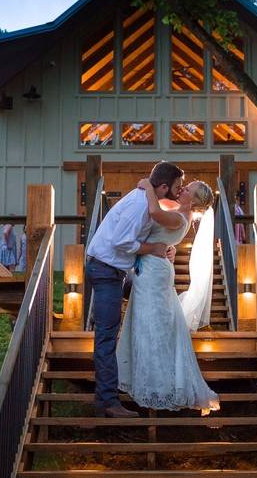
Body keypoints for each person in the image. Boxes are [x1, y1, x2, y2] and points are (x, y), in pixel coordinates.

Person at [85, 161, 184, 418]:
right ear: (163, 187)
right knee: (106, 336)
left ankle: (149, 372)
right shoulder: (140, 205)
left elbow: (144, 234)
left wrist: (165, 247)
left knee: (148, 303)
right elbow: (121, 241)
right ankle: (108, 402)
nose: (180, 190)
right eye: (177, 186)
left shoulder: (146, 199)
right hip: (105, 271)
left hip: (116, 271)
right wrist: (153, 249)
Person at [116, 178, 219, 415]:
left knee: (152, 326)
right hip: (153, 268)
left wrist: (147, 185)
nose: (182, 189)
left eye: (187, 190)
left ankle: (158, 387)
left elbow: (153, 210)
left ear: (193, 200)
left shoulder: (179, 217)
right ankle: (151, 380)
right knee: (149, 324)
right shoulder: (179, 214)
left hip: (154, 274)